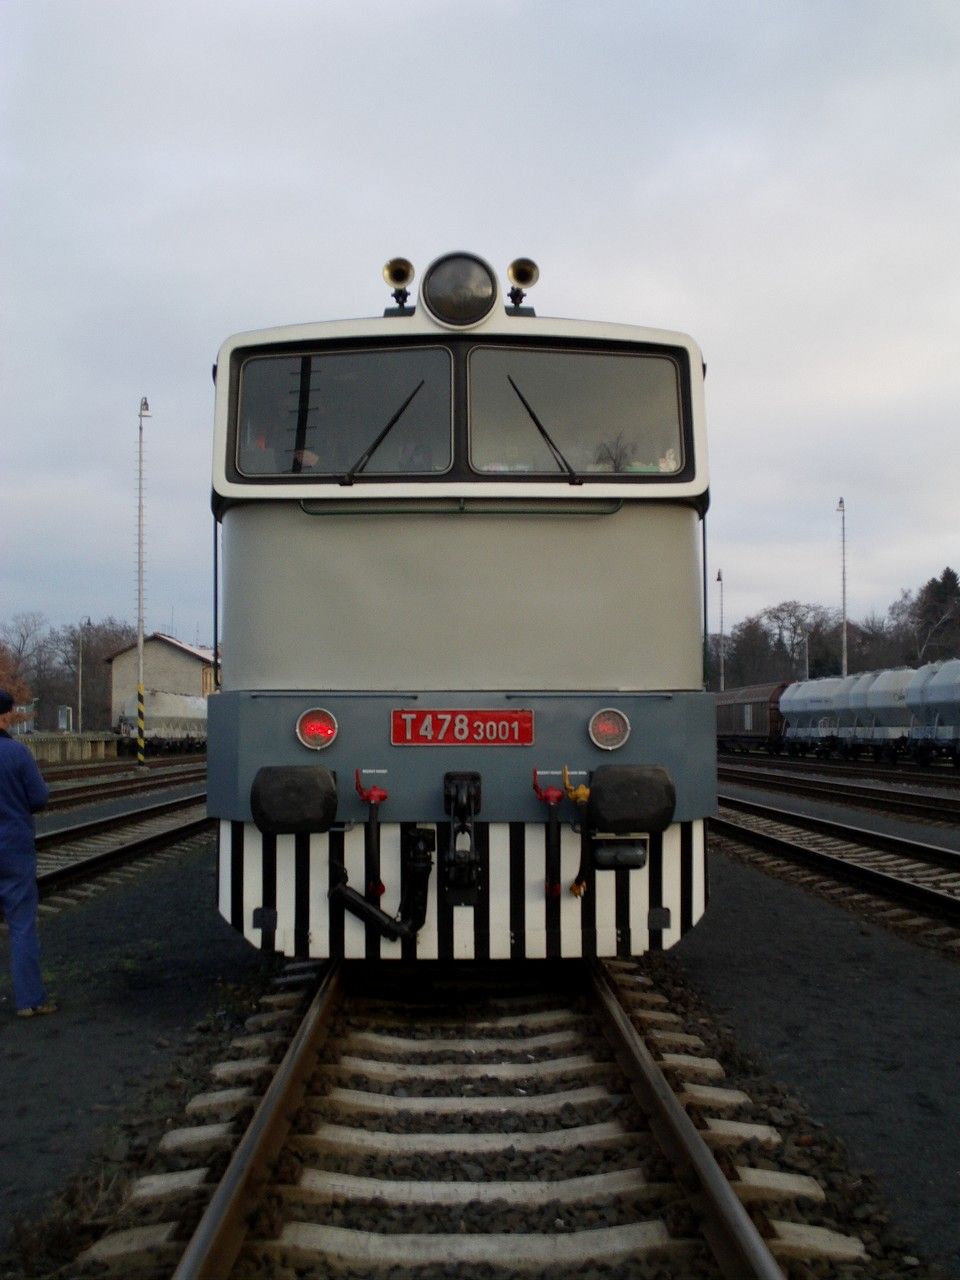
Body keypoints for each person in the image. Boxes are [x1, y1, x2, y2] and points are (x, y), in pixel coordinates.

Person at [0, 689, 56, 1017]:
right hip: (12, 849)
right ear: (6, 716)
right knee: (21, 925)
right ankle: (29, 1000)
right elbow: (38, 798)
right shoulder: (18, 754)